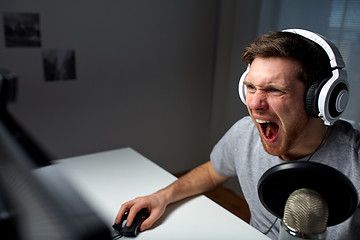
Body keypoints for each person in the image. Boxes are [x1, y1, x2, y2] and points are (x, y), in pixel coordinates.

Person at [115, 29, 360, 239]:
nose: (254, 103)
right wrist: (162, 197)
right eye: (251, 87)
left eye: (274, 90)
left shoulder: (355, 160)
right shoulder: (246, 133)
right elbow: (212, 173)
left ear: (319, 100)